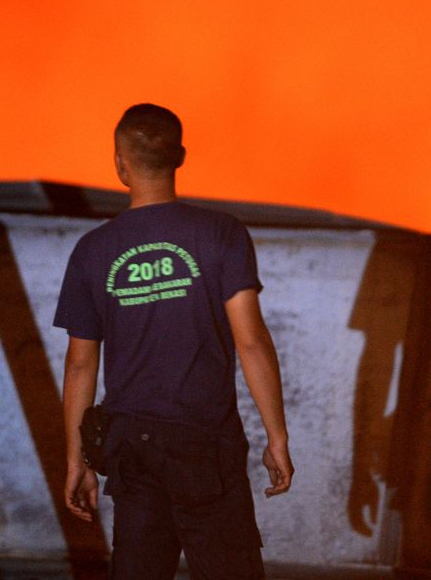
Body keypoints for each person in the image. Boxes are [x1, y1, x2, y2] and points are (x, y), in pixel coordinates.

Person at [54, 103, 294, 579]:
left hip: (131, 447)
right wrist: (278, 437)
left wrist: (75, 458)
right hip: (204, 442)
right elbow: (251, 342)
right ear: (180, 157)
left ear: (119, 164)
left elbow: (81, 365)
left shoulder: (93, 251)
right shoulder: (221, 234)